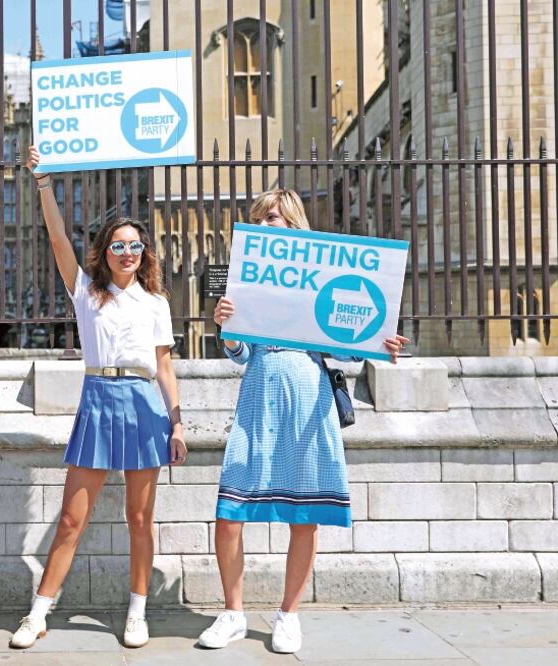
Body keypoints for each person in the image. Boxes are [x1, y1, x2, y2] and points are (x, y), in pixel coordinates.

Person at [198, 189, 408, 654]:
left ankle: (288, 615)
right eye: (258, 218)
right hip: (258, 398)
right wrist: (226, 328)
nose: (264, 224)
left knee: (305, 515)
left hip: (308, 397)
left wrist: (382, 342)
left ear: (292, 223)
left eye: (271, 217)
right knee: (229, 513)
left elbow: (348, 340)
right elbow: (239, 354)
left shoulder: (323, 278)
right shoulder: (247, 280)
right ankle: (232, 612)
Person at [9, 146, 187, 650]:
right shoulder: (86, 291)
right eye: (118, 246)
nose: (127, 253)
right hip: (98, 399)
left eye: (134, 246)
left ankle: (137, 610)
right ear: (105, 252)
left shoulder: (155, 302)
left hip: (143, 404)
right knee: (71, 517)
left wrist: (177, 424)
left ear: (143, 253)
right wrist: (43, 183)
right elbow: (57, 238)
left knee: (139, 517)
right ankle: (39, 612)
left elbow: (166, 368)